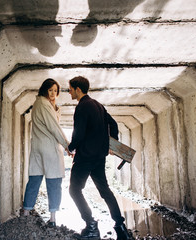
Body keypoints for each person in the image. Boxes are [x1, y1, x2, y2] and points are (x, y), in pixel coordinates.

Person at [67, 76, 132, 240]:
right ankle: (120, 226)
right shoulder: (98, 105)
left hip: (85, 157)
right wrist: (112, 144)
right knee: (105, 191)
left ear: (78, 89)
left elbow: (79, 134)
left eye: (70, 89)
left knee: (74, 190)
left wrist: (70, 147)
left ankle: (91, 225)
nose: (69, 92)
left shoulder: (82, 107)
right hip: (99, 157)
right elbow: (114, 124)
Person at [22, 78, 69, 227]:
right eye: (50, 90)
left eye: (55, 91)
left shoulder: (40, 104)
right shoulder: (44, 104)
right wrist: (68, 145)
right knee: (54, 182)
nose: (53, 93)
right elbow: (54, 127)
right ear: (44, 90)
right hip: (49, 148)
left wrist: (55, 107)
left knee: (34, 179)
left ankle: (26, 212)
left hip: (38, 147)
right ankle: (53, 218)